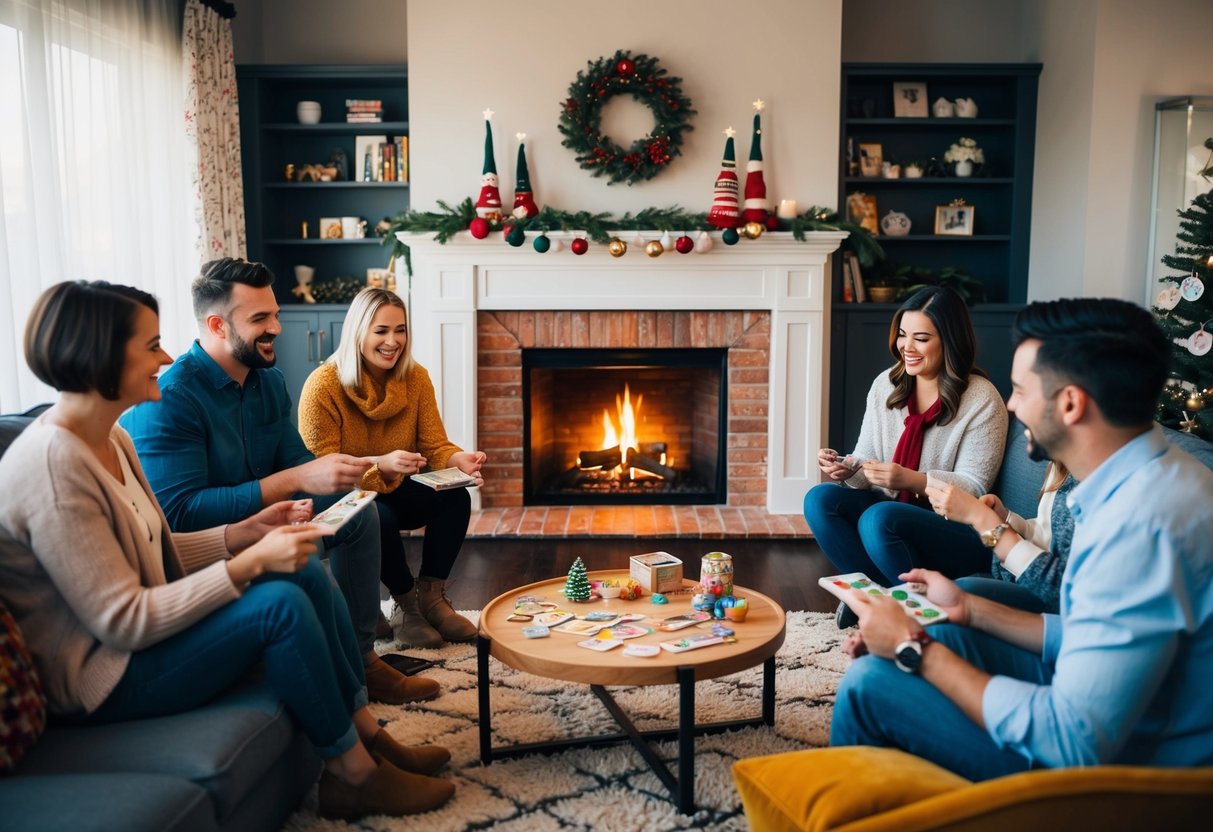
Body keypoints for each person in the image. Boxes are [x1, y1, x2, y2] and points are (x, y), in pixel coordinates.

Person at [0, 281, 455, 819]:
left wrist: (247, 533)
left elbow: (154, 548)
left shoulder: (110, 438)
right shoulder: (55, 465)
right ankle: (352, 776)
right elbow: (123, 620)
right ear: (98, 353)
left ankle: (366, 734)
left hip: (136, 646)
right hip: (102, 678)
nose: (166, 357)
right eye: (150, 346)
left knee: (305, 571)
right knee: (278, 605)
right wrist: (247, 565)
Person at [830, 297, 1213, 780]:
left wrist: (913, 649)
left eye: (1020, 390)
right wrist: (970, 610)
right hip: (1129, 707)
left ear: (1071, 403)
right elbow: (1090, 631)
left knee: (873, 683)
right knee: (946, 629)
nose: (1009, 405)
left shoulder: (1141, 523)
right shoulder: (1148, 480)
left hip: (1131, 771)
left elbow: (1073, 742)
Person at [120, 258, 431, 705]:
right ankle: (346, 670)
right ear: (217, 325)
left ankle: (364, 658)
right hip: (219, 542)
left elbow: (297, 462)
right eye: (260, 319)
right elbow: (178, 516)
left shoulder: (270, 381)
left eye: (277, 315)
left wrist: (348, 470)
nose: (277, 328)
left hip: (275, 518)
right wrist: (293, 481)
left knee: (361, 510)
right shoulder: (170, 399)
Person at [803, 286, 1007, 621]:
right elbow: (865, 457)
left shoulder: (982, 399)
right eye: (902, 335)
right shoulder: (886, 384)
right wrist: (846, 468)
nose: (906, 347)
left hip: (956, 528)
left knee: (879, 517)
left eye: (921, 338)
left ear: (950, 341)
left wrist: (911, 480)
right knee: (820, 499)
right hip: (893, 512)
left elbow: (975, 487)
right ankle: (881, 598)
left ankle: (890, 606)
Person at [298, 288, 486, 648]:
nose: (393, 341)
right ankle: (406, 606)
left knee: (455, 498)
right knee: (376, 515)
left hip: (395, 485)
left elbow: (433, 444)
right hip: (343, 499)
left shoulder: (415, 379)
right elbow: (322, 472)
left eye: (400, 330)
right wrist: (379, 466)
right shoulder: (322, 386)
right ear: (357, 331)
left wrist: (456, 459)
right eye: (381, 331)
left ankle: (432, 598)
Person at [923, 461, 1075, 614]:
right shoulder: (1060, 464)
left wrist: (982, 519)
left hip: (1048, 595)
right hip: (1017, 572)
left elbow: (1068, 592)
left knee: (956, 594)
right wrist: (1004, 518)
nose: (1027, 435)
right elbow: (1044, 534)